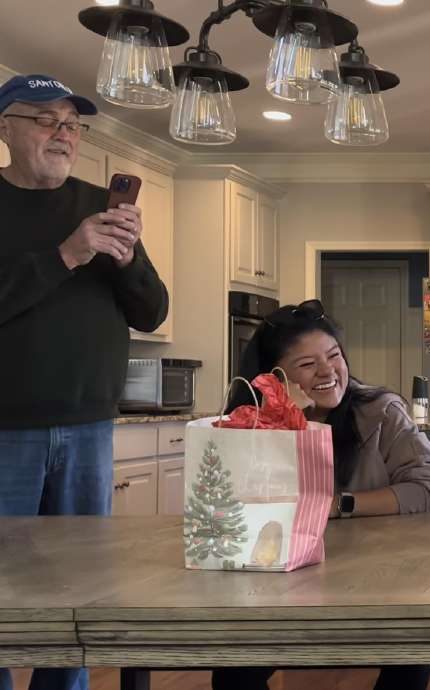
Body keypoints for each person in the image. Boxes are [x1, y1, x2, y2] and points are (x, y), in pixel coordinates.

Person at [0, 74, 167, 690]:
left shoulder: (103, 205)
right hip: (5, 431)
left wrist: (128, 260)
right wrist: (65, 255)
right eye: (46, 120)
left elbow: (152, 312)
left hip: (91, 429)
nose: (62, 134)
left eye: (72, 125)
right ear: (5, 126)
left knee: (79, 594)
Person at [211, 299, 430, 690]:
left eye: (334, 356)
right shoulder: (250, 425)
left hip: (377, 577)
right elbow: (233, 505)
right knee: (234, 672)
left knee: (413, 650)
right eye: (307, 364)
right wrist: (286, 423)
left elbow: (427, 487)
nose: (328, 371)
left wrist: (338, 505)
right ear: (273, 378)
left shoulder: (381, 412)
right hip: (284, 583)